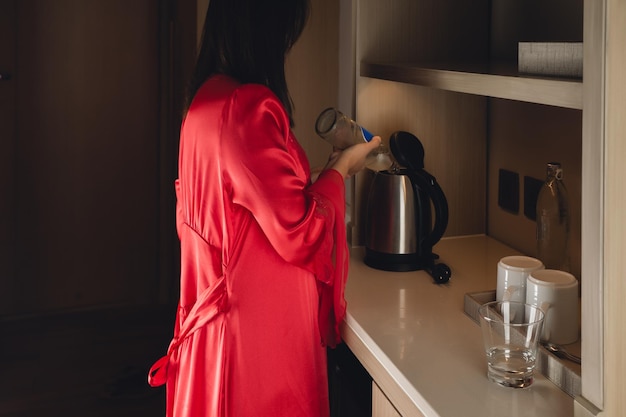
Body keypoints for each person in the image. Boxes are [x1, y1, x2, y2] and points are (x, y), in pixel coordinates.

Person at [148, 0, 380, 416]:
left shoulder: (205, 101)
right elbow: (302, 231)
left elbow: (253, 210)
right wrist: (343, 169)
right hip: (253, 338)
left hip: (214, 333)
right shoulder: (248, 108)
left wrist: (326, 172)